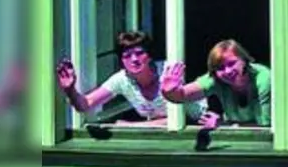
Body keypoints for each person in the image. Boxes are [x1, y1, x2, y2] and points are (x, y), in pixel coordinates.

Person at [55, 31, 207, 127]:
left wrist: (133, 126)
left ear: (149, 55)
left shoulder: (168, 72)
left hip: (199, 126)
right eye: (127, 56)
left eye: (139, 53)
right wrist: (70, 90)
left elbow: (180, 118)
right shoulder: (122, 79)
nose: (134, 60)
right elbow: (86, 104)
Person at [163, 38, 270, 128]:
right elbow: (181, 95)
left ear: (244, 60)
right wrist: (169, 91)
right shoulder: (216, 79)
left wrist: (223, 125)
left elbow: (263, 128)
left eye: (232, 63)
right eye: (220, 68)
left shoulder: (263, 79)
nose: (227, 71)